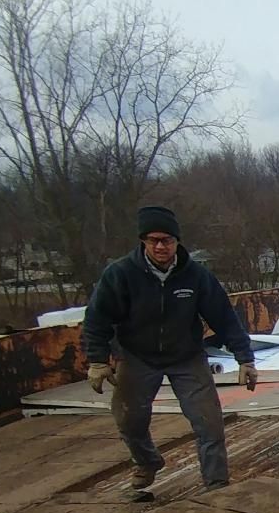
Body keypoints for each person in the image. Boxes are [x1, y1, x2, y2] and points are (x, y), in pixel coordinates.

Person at [82, 206, 257, 491]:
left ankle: (217, 486)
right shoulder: (121, 274)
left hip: (186, 357)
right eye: (153, 240)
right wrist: (98, 360)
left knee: (209, 423)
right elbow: (97, 318)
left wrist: (245, 359)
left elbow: (224, 317)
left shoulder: (195, 276)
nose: (161, 246)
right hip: (137, 356)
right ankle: (147, 461)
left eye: (167, 240)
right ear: (143, 241)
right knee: (129, 420)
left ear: (177, 241)